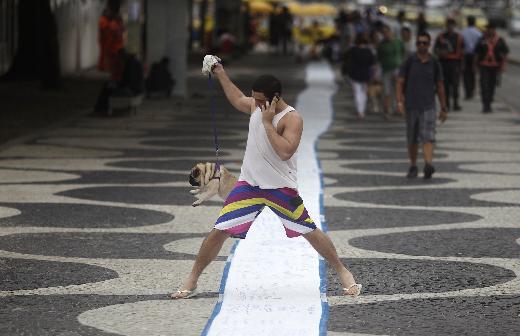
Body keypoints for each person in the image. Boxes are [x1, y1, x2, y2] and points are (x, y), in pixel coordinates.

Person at [171, 62, 362, 299]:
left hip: (281, 188)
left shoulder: (291, 118)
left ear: (276, 97)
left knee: (309, 230)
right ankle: (192, 279)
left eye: (261, 100)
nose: (256, 104)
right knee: (218, 231)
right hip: (249, 186)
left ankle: (343, 272)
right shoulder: (256, 105)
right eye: (255, 99)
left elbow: (285, 151)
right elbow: (238, 98)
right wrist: (220, 72)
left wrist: (266, 122)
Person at [396, 32, 447, 180]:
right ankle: (413, 165)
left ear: (429, 44)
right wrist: (399, 101)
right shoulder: (409, 61)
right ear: (416, 44)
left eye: (425, 43)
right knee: (412, 138)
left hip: (428, 105)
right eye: (419, 43)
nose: (422, 45)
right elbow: (400, 82)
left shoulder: (434, 62)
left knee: (428, 136)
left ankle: (428, 164)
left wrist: (443, 107)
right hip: (411, 105)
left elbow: (440, 85)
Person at [474, 22, 509, 113]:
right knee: (484, 85)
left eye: (491, 29)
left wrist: (503, 66)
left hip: (495, 67)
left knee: (492, 86)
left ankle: (489, 103)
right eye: (488, 29)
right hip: (484, 66)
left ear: (494, 30)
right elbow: (476, 53)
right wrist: (475, 65)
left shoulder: (500, 40)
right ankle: (485, 105)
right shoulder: (482, 39)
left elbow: (505, 53)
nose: (489, 30)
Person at [342, 34, 376, 119]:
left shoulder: (352, 50)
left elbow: (345, 58)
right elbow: (372, 64)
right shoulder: (369, 51)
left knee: (357, 92)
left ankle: (359, 111)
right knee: (363, 93)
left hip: (354, 74)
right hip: (365, 75)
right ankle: (362, 110)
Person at [434, 18, 464, 111]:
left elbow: (463, 51)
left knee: (455, 85)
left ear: (454, 26)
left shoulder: (459, 37)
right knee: (445, 85)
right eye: (448, 25)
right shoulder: (440, 37)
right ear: (446, 26)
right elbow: (435, 49)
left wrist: (462, 65)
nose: (450, 27)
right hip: (444, 63)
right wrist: (440, 52)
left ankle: (455, 103)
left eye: (452, 25)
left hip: (455, 63)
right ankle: (446, 104)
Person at [377, 24, 405, 118]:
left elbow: (403, 53)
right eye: (384, 33)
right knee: (387, 91)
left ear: (391, 32)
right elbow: (379, 58)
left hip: (397, 69)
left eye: (387, 32)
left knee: (398, 90)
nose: (386, 34)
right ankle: (388, 110)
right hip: (386, 70)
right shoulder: (381, 45)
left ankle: (399, 109)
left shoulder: (398, 42)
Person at [97, 0, 125, 81]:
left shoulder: (114, 19)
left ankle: (115, 78)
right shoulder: (106, 19)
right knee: (114, 67)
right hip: (111, 47)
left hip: (114, 47)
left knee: (116, 68)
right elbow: (110, 31)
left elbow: (119, 30)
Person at [461, 16, 482, 100]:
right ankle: (472, 91)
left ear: (467, 22)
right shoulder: (478, 33)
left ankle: (467, 92)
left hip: (466, 55)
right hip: (475, 55)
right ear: (474, 22)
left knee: (466, 74)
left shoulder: (463, 32)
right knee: (473, 73)